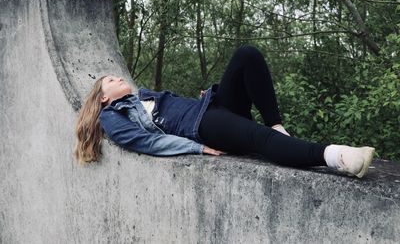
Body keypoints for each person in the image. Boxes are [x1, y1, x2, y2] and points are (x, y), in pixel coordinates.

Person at [75, 45, 375, 178]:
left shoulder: (144, 97)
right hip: (201, 126)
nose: (117, 78)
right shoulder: (112, 117)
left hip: (208, 109)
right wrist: (197, 147)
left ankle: (278, 127)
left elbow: (173, 108)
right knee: (257, 139)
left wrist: (205, 96)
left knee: (247, 55)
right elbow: (147, 142)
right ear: (103, 98)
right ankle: (335, 157)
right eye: (110, 81)